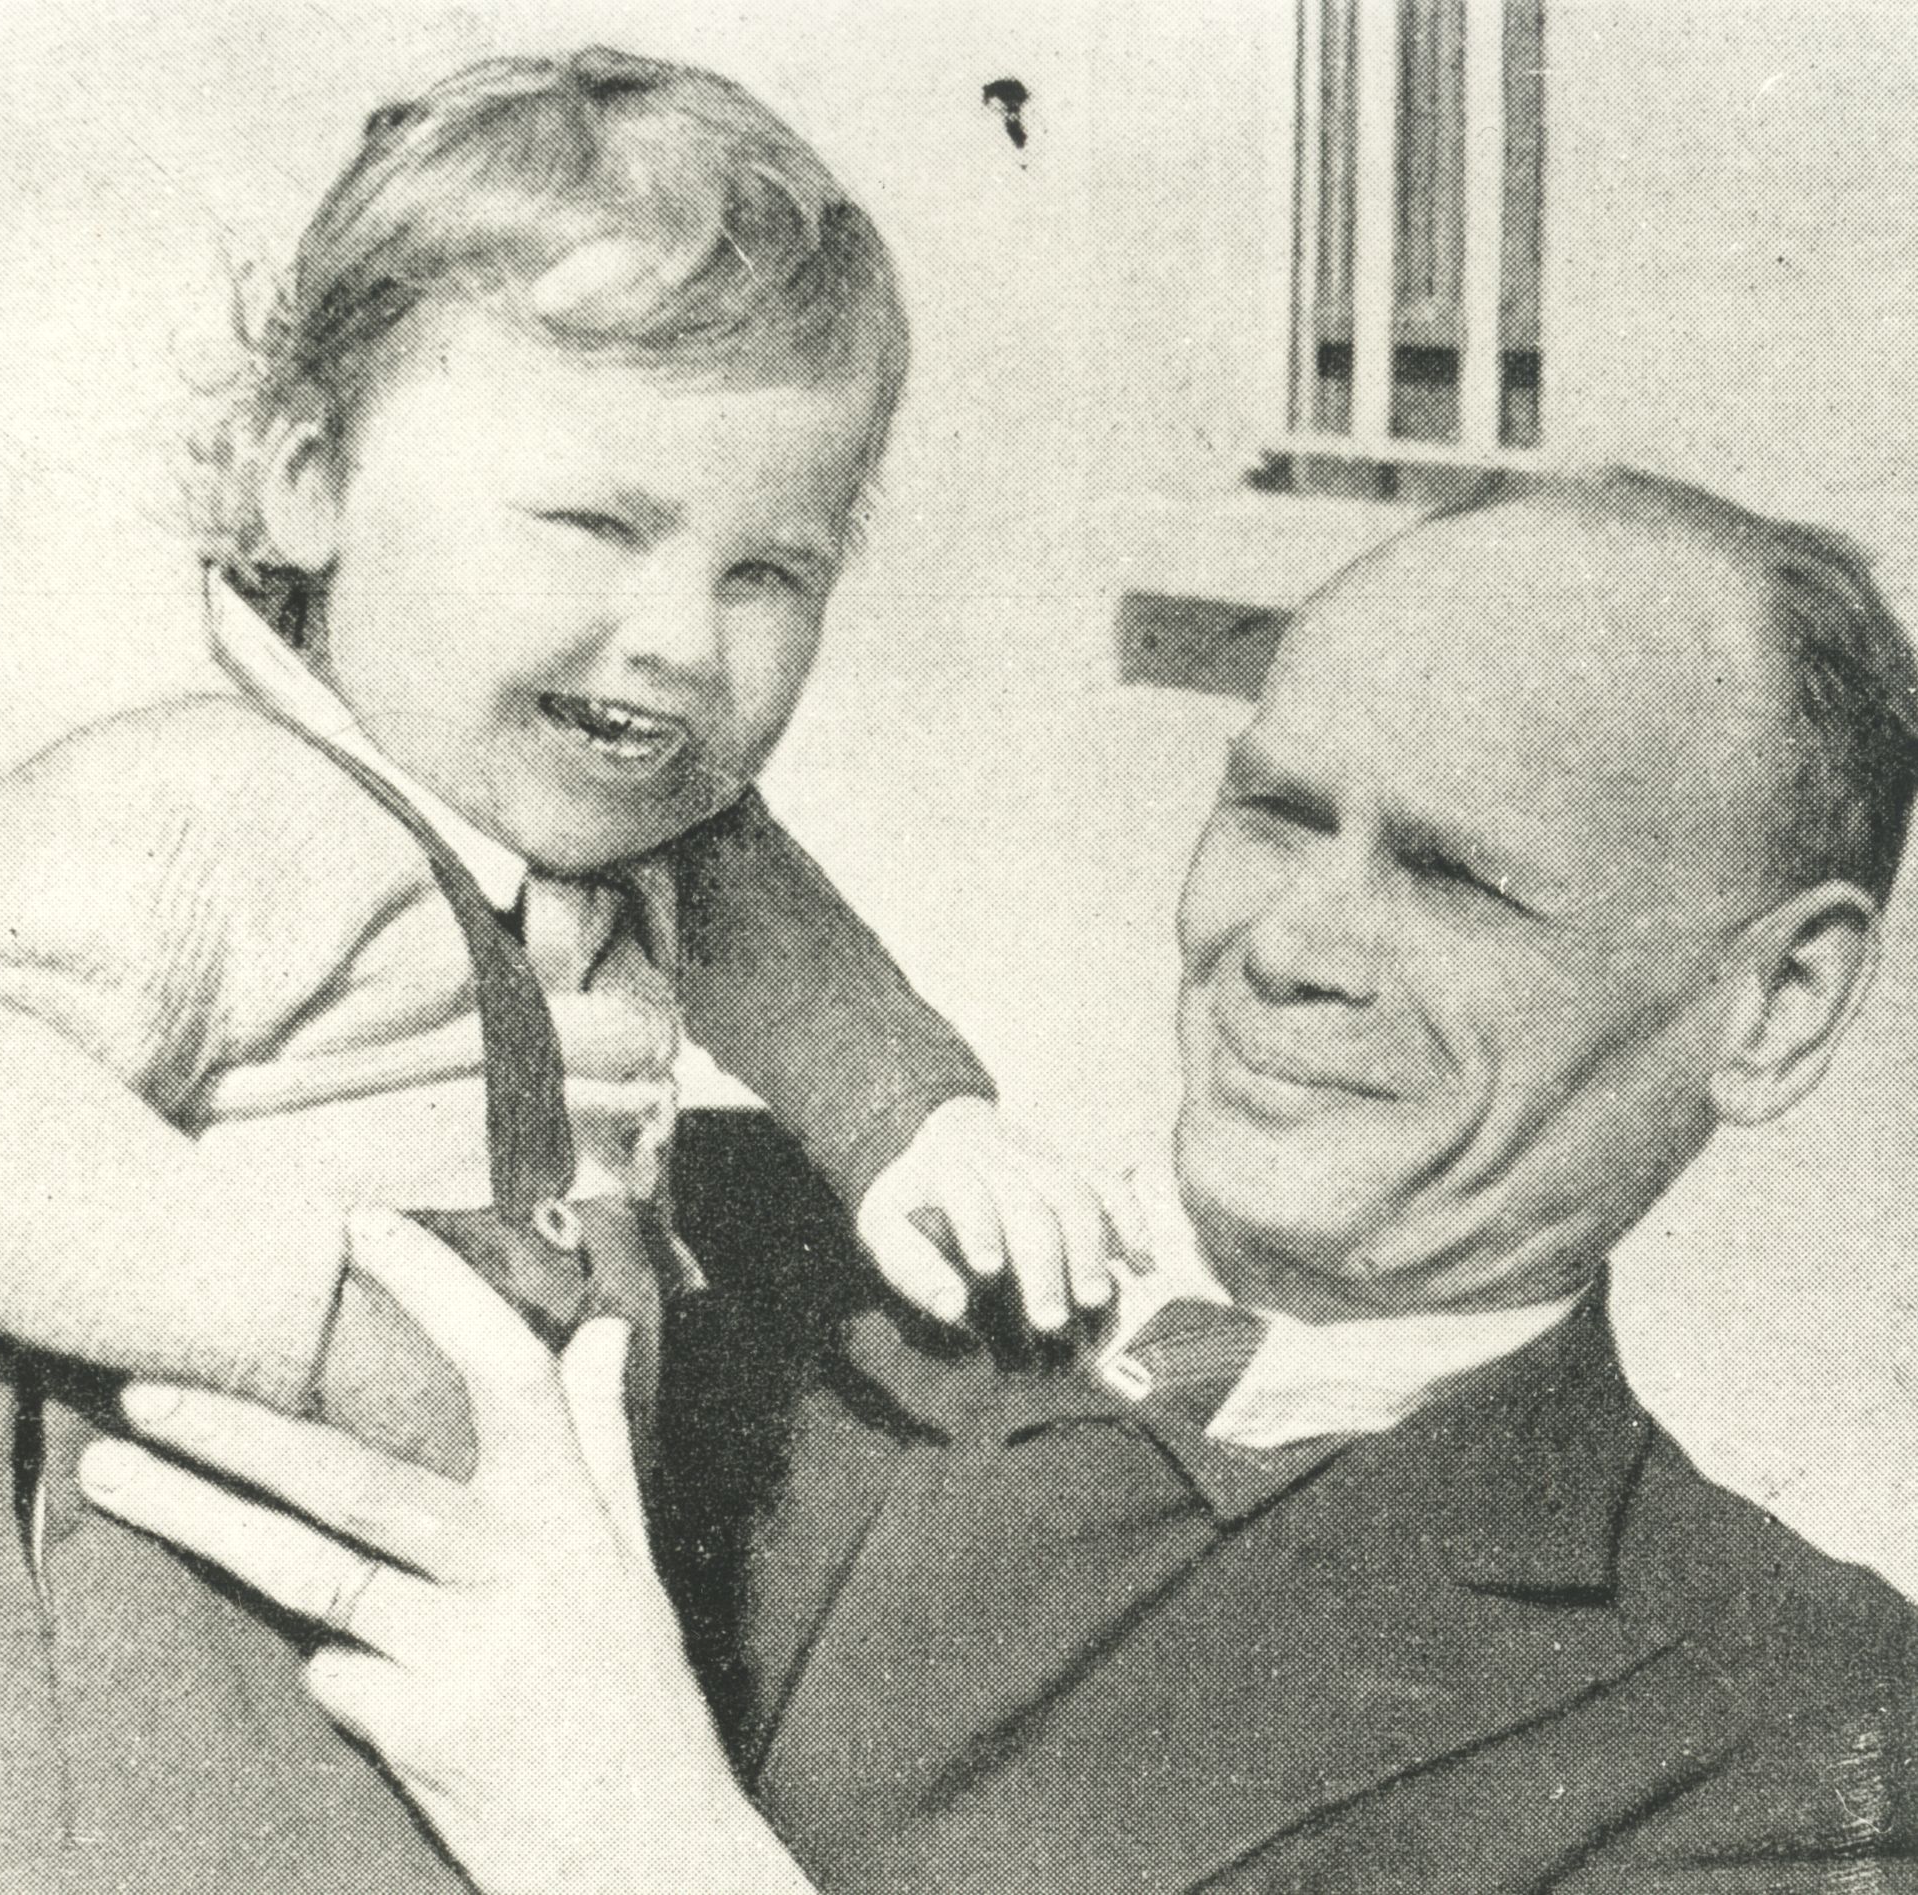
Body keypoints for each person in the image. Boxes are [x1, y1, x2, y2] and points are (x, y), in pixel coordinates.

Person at [92, 467, 1918, 1891]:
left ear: (1778, 1004)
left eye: (1457, 881)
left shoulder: (1795, 1733)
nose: (1292, 944)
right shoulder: (683, 1224)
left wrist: (637, 1850)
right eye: (1276, 813)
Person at [0, 49, 1112, 1893]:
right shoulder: (196, 806)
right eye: (599, 528)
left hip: (494, 1578)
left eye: (770, 573)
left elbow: (778, 942)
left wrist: (921, 1126)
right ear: (309, 484)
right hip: (187, 1572)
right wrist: (301, 1313)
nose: (681, 640)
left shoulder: (640, 831)